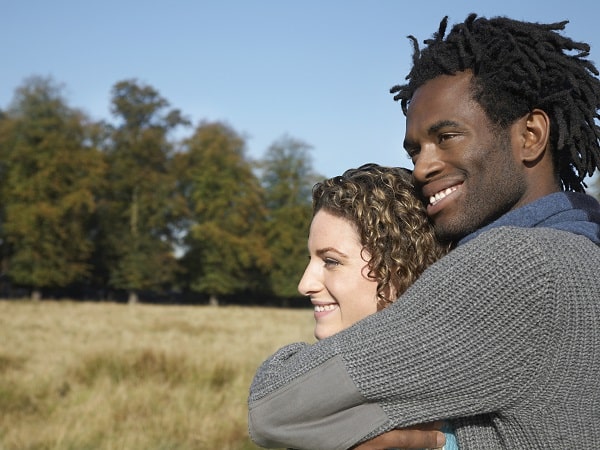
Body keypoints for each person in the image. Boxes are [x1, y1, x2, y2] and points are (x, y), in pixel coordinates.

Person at [248, 13, 600, 450]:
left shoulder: (517, 264)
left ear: (531, 134)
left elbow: (275, 406)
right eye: (415, 151)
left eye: (447, 136)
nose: (422, 168)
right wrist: (447, 443)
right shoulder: (581, 251)